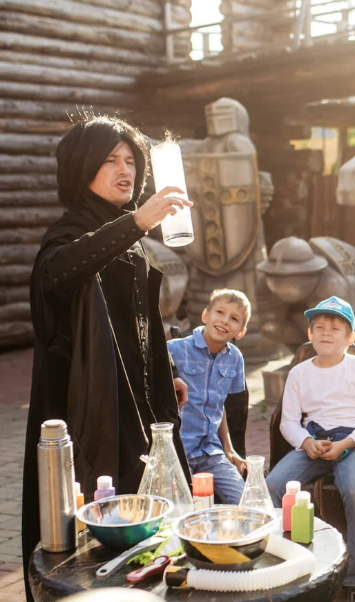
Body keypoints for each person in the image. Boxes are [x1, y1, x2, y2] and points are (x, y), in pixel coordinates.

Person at [23, 116, 194, 588]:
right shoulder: (69, 232)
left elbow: (137, 318)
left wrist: (168, 369)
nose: (126, 170)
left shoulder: (129, 239)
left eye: (131, 161)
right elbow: (58, 273)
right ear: (82, 169)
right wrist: (139, 220)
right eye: (110, 160)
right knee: (96, 529)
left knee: (145, 528)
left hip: (135, 403)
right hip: (86, 410)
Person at [265, 296, 355, 600]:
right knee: (274, 484)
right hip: (314, 441)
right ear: (309, 335)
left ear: (350, 338)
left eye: (335, 328)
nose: (326, 332)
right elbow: (288, 422)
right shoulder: (299, 373)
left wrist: (345, 443)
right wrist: (307, 442)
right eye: (319, 327)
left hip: (352, 442)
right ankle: (289, 558)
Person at [168, 289, 251, 504]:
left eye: (234, 319)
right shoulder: (175, 350)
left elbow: (219, 403)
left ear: (240, 332)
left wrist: (228, 447)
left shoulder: (235, 358)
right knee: (181, 511)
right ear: (206, 315)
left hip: (210, 450)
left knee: (245, 502)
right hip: (179, 451)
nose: (224, 321)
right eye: (220, 312)